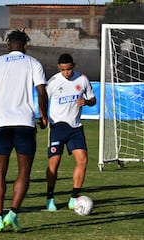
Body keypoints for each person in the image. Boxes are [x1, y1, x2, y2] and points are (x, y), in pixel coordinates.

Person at [0, 30, 48, 233]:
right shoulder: (33, 63)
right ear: (25, 46)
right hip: (25, 124)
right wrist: (43, 115)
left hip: (2, 124)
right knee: (24, 171)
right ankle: (13, 214)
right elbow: (42, 91)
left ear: (8, 46)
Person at [45, 53, 96, 211]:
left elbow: (93, 100)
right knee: (54, 163)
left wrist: (86, 102)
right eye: (63, 70)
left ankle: (74, 197)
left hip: (75, 127)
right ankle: (50, 197)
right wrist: (42, 117)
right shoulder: (53, 82)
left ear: (73, 65)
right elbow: (42, 99)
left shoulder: (82, 79)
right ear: (59, 68)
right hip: (57, 127)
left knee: (83, 160)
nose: (66, 73)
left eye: (68, 69)